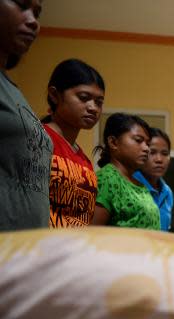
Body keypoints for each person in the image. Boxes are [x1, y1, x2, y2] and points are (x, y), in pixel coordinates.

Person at [0, 0, 52, 231]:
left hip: (24, 253)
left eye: (37, 13)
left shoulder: (12, 90)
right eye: (21, 5)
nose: (33, 22)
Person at [42, 58, 105, 227]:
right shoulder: (37, 138)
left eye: (99, 102)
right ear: (55, 95)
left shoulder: (84, 160)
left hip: (76, 249)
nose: (93, 107)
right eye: (84, 98)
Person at [91, 113, 160, 229]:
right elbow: (92, 234)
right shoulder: (108, 179)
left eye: (147, 144)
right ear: (113, 142)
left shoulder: (139, 184)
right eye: (138, 140)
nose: (146, 148)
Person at [134, 127, 173, 231]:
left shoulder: (167, 192)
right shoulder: (130, 184)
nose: (159, 159)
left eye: (165, 154)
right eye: (152, 152)